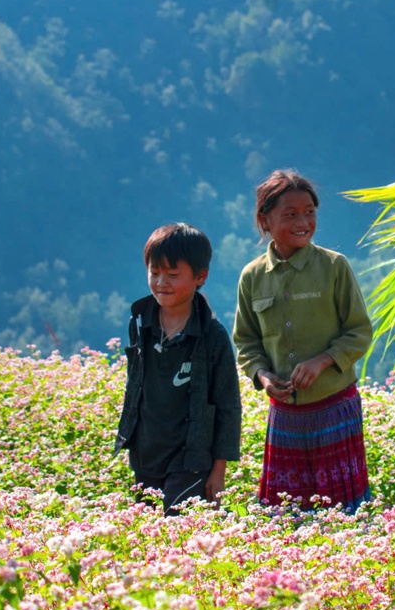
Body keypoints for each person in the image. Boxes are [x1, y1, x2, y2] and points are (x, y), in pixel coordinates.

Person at [233, 169, 374, 513]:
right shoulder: (252, 277)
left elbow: (359, 331)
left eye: (309, 211)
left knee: (344, 513)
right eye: (291, 214)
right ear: (265, 220)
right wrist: (263, 377)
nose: (303, 221)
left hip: (334, 408)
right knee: (285, 513)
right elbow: (246, 342)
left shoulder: (334, 267)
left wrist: (322, 361)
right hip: (284, 415)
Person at [116, 223, 242, 515]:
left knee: (179, 532)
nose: (162, 282)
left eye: (173, 275)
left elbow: (228, 405)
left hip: (191, 458)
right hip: (146, 453)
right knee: (146, 536)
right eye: (154, 272)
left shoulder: (213, 336)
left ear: (200, 277)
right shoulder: (141, 324)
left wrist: (219, 470)